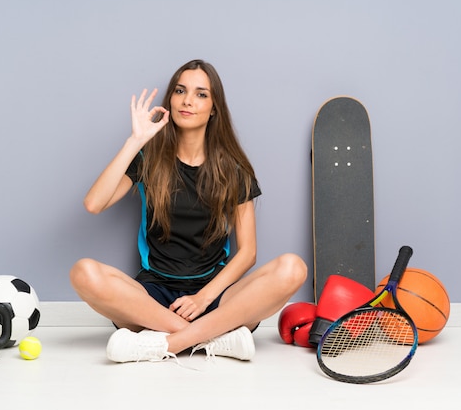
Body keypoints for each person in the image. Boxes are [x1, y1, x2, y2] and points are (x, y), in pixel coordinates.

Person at [70, 59, 307, 363]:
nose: (188, 100)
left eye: (200, 94)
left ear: (214, 108)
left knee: (292, 267)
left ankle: (166, 344)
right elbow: (94, 203)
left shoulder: (234, 171)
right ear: (170, 99)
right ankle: (214, 338)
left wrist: (203, 298)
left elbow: (247, 253)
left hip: (217, 298)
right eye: (180, 91)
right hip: (153, 299)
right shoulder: (149, 159)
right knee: (84, 272)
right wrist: (136, 141)